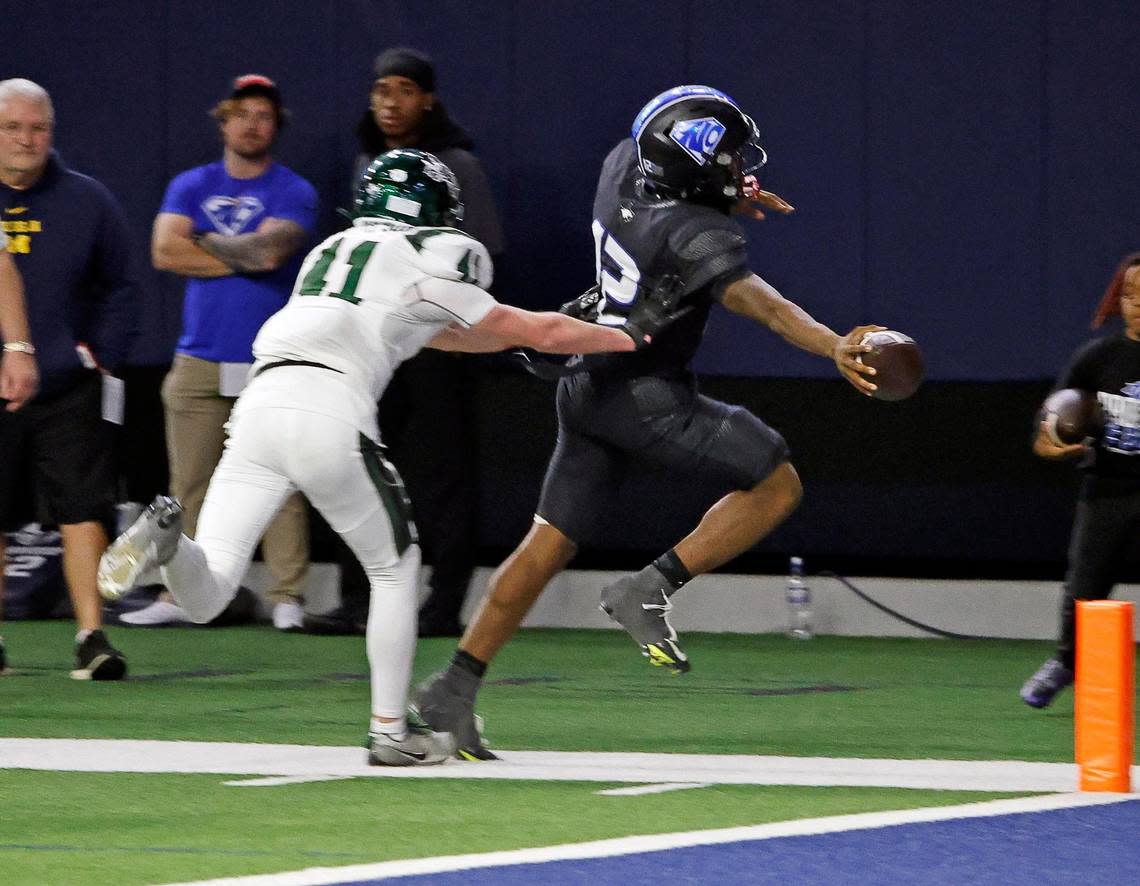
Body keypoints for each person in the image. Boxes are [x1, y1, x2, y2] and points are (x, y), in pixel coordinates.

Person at [98, 149, 657, 765]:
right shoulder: (437, 252)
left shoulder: (333, 251)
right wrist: (626, 336)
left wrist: (532, 330)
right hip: (328, 408)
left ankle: (168, 543)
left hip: (259, 402)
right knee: (396, 570)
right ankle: (390, 733)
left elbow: (432, 332)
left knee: (209, 595)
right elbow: (526, 330)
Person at [410, 85, 882, 760]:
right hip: (643, 397)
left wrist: (727, 188)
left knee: (544, 547)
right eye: (725, 158)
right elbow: (770, 309)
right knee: (777, 481)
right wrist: (835, 344)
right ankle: (649, 586)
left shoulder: (620, 166)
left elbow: (678, 190)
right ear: (688, 165)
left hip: (583, 380)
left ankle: (453, 687)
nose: (736, 167)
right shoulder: (696, 235)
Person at [304, 48, 505, 639]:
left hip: (440, 345)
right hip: (375, 343)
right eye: (381, 90)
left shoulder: (457, 165)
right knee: (356, 455)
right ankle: (357, 600)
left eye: (404, 90)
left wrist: (447, 324)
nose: (390, 102)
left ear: (428, 99)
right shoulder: (369, 159)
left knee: (447, 473)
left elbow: (485, 254)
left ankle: (444, 606)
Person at [136, 74, 317, 631]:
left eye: (263, 116)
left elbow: (267, 254)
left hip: (268, 357)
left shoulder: (294, 190)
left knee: (279, 477)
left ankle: (286, 593)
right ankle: (178, 596)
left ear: (276, 126)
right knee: (188, 480)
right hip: (197, 358)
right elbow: (164, 252)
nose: (252, 124)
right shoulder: (190, 183)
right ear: (224, 120)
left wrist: (204, 241)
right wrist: (236, 250)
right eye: (242, 114)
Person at [0, 78, 137, 679]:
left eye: (39, 128)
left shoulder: (89, 200)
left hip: (67, 386)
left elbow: (123, 287)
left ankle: (91, 636)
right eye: (13, 128)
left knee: (85, 509)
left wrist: (96, 356)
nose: (27, 140)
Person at [1020, 252, 1140, 708]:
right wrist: (1050, 443)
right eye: (1129, 294)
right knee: (1084, 586)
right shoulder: (1097, 358)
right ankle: (1067, 662)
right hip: (1106, 487)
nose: (1137, 304)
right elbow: (1045, 428)